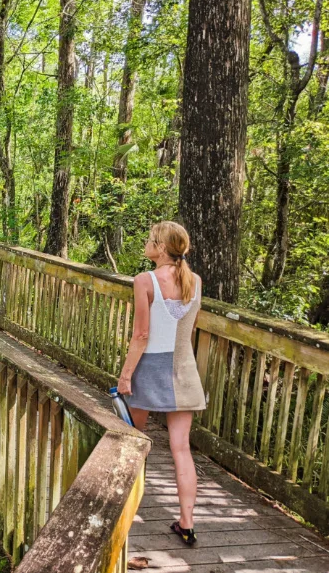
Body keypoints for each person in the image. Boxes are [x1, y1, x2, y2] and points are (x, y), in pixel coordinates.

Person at [117, 221, 205, 547]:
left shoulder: (145, 280)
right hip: (184, 371)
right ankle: (187, 523)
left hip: (150, 371)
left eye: (151, 239)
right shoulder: (195, 281)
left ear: (162, 248)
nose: (146, 242)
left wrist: (126, 375)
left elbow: (141, 335)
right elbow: (189, 331)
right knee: (181, 449)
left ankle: (123, 514)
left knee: (132, 444)